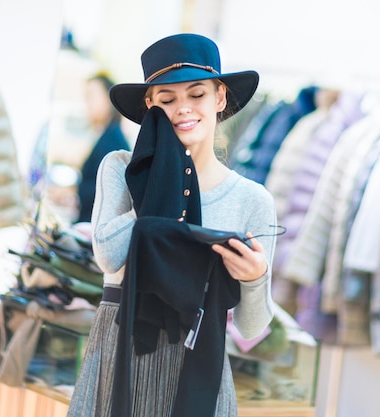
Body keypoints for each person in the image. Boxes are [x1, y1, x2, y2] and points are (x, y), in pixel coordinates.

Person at [66, 33, 277, 417]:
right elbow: (109, 258)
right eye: (167, 99)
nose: (183, 108)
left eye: (196, 94)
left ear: (220, 97)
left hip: (200, 364)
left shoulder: (251, 200)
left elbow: (251, 327)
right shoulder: (121, 168)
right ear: (150, 105)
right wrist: (159, 187)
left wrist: (256, 276)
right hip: (119, 354)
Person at [76, 72, 131, 223]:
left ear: (108, 99)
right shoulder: (105, 135)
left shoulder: (113, 141)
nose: (87, 103)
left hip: (94, 226)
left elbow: (107, 193)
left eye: (91, 96)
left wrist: (75, 194)